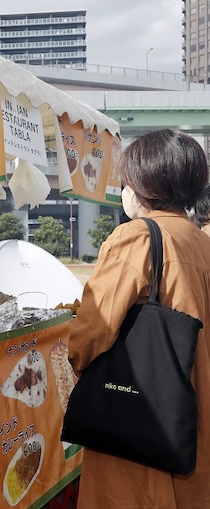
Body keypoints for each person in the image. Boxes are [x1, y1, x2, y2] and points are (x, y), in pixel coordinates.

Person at [67, 128, 210, 508]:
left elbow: (89, 335)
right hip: (196, 425)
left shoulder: (137, 237)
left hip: (144, 429)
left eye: (125, 182)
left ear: (143, 186)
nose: (123, 191)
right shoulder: (202, 242)